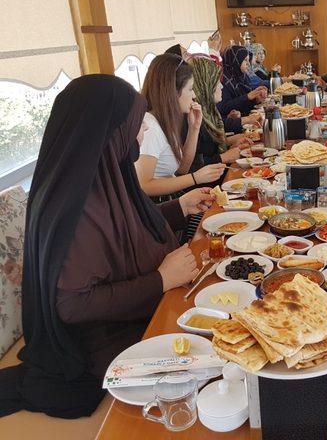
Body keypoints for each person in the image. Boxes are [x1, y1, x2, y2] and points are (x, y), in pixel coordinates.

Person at [0, 75, 215, 419]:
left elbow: (123, 228)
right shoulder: (77, 203)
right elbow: (71, 304)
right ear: (108, 131)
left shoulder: (98, 172)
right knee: (211, 367)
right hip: (104, 338)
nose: (141, 135)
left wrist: (180, 207)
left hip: (143, 307)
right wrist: (160, 280)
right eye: (135, 125)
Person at [134, 54, 226, 201]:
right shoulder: (150, 126)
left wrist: (194, 128)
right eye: (190, 89)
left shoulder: (166, 120)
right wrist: (195, 178)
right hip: (159, 208)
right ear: (173, 91)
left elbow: (182, 168)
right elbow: (144, 185)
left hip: (173, 200)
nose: (194, 95)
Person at [188, 55, 252, 167]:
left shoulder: (209, 110)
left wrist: (230, 147)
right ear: (205, 86)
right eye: (217, 82)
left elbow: (212, 150)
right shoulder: (193, 116)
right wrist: (223, 157)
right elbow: (190, 167)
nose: (222, 86)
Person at [217, 45, 268, 117]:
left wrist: (256, 99)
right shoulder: (223, 80)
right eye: (245, 60)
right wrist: (247, 96)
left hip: (247, 120)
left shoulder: (243, 76)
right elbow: (224, 107)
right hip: (234, 124)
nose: (248, 64)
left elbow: (245, 104)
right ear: (236, 60)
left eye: (248, 60)